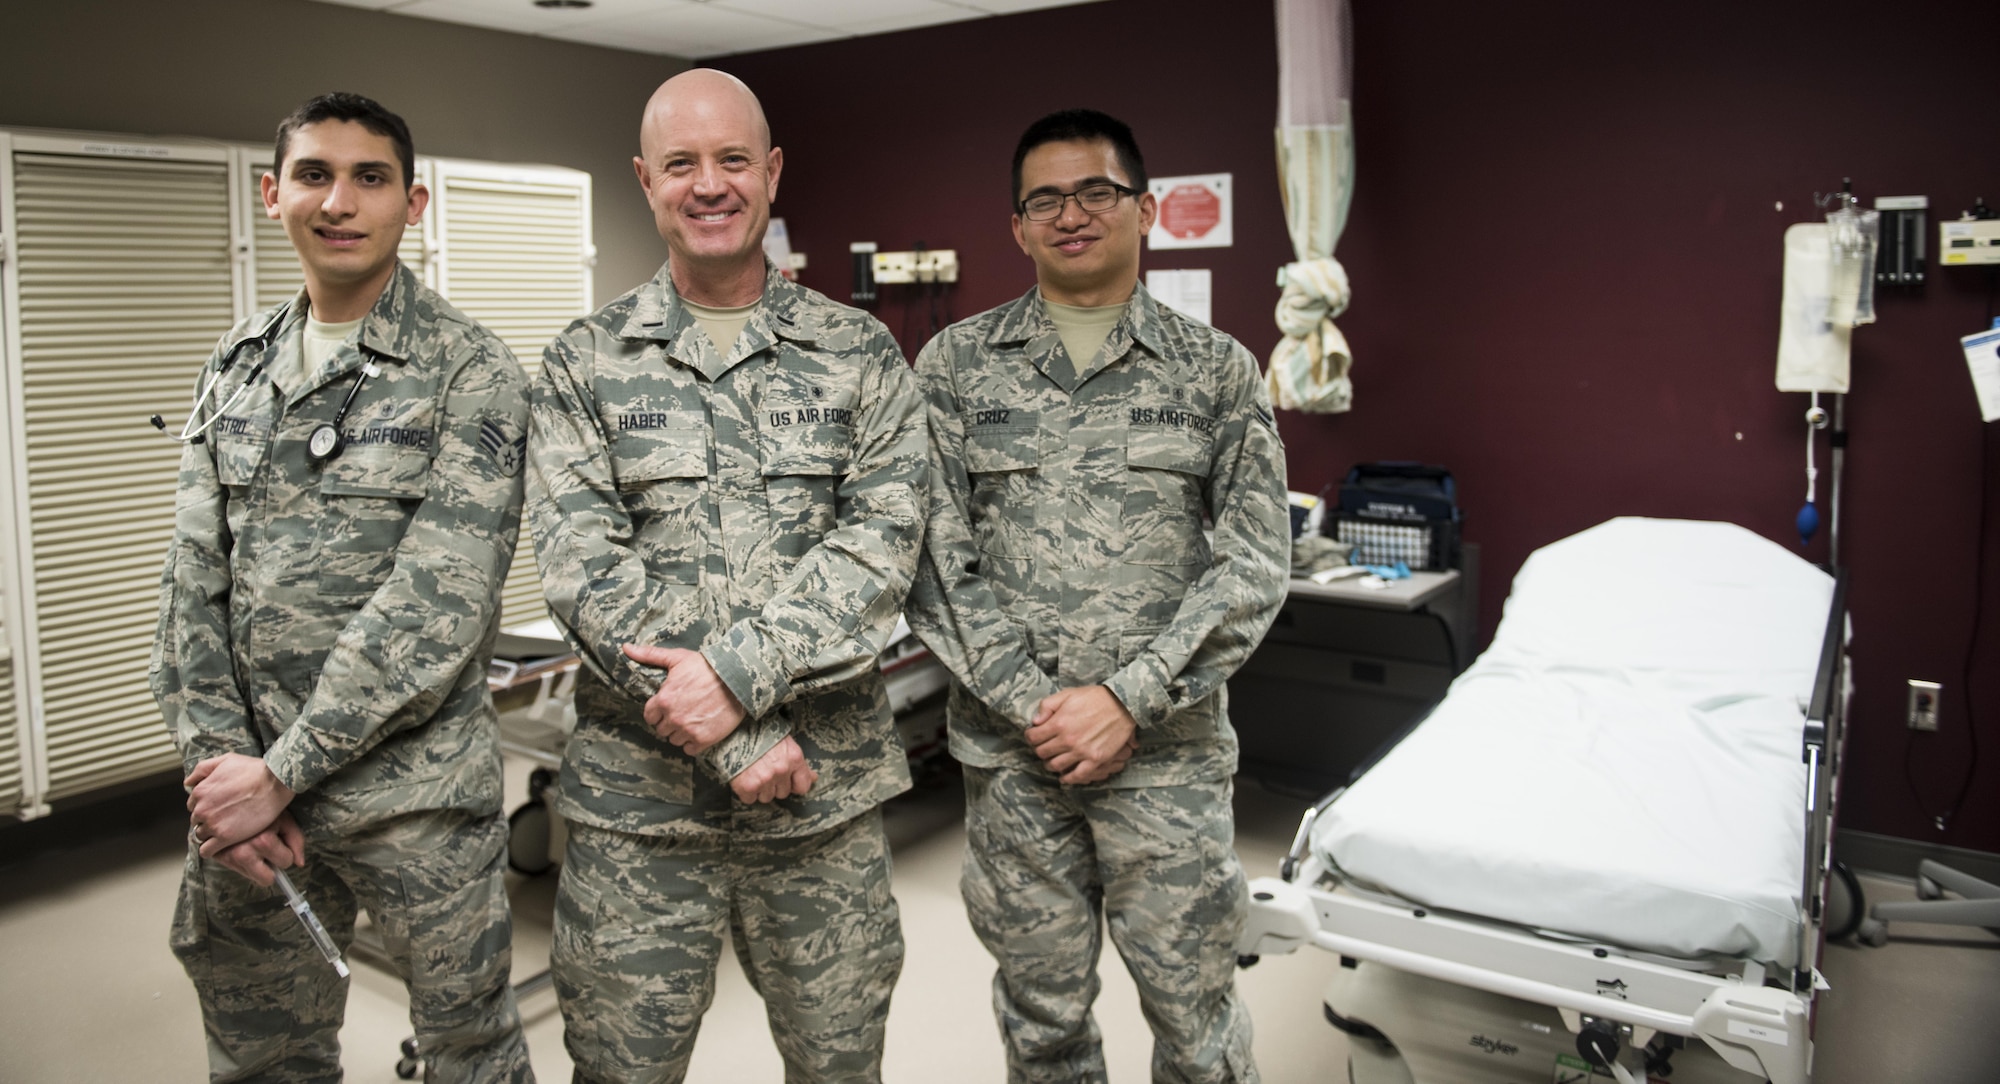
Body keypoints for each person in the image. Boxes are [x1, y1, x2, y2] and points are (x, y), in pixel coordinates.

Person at [526, 68, 925, 1084]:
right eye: (681, 164)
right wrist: (741, 728)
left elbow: (881, 543)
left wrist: (737, 677)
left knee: (840, 1067)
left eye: (733, 159)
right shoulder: (583, 362)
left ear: (773, 172)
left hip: (817, 803)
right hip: (639, 821)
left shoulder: (860, 354)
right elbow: (580, 568)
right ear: (645, 182)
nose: (710, 184)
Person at [155, 92, 534, 1082]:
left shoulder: (470, 372)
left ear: (412, 204)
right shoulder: (235, 368)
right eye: (315, 174)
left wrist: (282, 770)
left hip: (411, 800)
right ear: (272, 192)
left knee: (468, 1054)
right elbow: (191, 584)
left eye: (369, 178)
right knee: (262, 1054)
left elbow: (435, 603)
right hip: (247, 804)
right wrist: (219, 772)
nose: (340, 200)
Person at [905, 109, 1290, 1084]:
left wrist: (1126, 697)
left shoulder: (1215, 370)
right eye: (1044, 198)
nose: (1069, 213)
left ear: (1143, 208)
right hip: (1013, 758)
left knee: (1194, 1022)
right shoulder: (953, 367)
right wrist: (1035, 706)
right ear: (1017, 226)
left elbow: (1251, 563)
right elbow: (930, 559)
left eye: (1095, 192)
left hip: (1165, 761)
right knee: (1041, 1022)